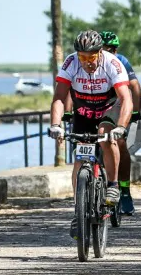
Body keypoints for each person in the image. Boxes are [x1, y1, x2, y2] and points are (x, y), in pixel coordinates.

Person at [49, 30, 133, 239]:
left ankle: (113, 185)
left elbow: (127, 98)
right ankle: (79, 211)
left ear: (100, 52)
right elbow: (60, 96)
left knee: (106, 133)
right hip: (84, 110)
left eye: (91, 57)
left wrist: (121, 127)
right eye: (82, 57)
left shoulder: (113, 64)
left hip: (108, 107)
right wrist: (55, 124)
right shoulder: (70, 63)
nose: (87, 62)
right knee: (81, 154)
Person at [99, 31, 141, 215]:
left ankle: (124, 190)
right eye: (103, 50)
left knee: (120, 143)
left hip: (115, 103)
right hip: (94, 105)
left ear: (116, 50)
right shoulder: (92, 61)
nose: (107, 53)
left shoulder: (121, 62)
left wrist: (135, 113)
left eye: (111, 50)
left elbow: (134, 87)